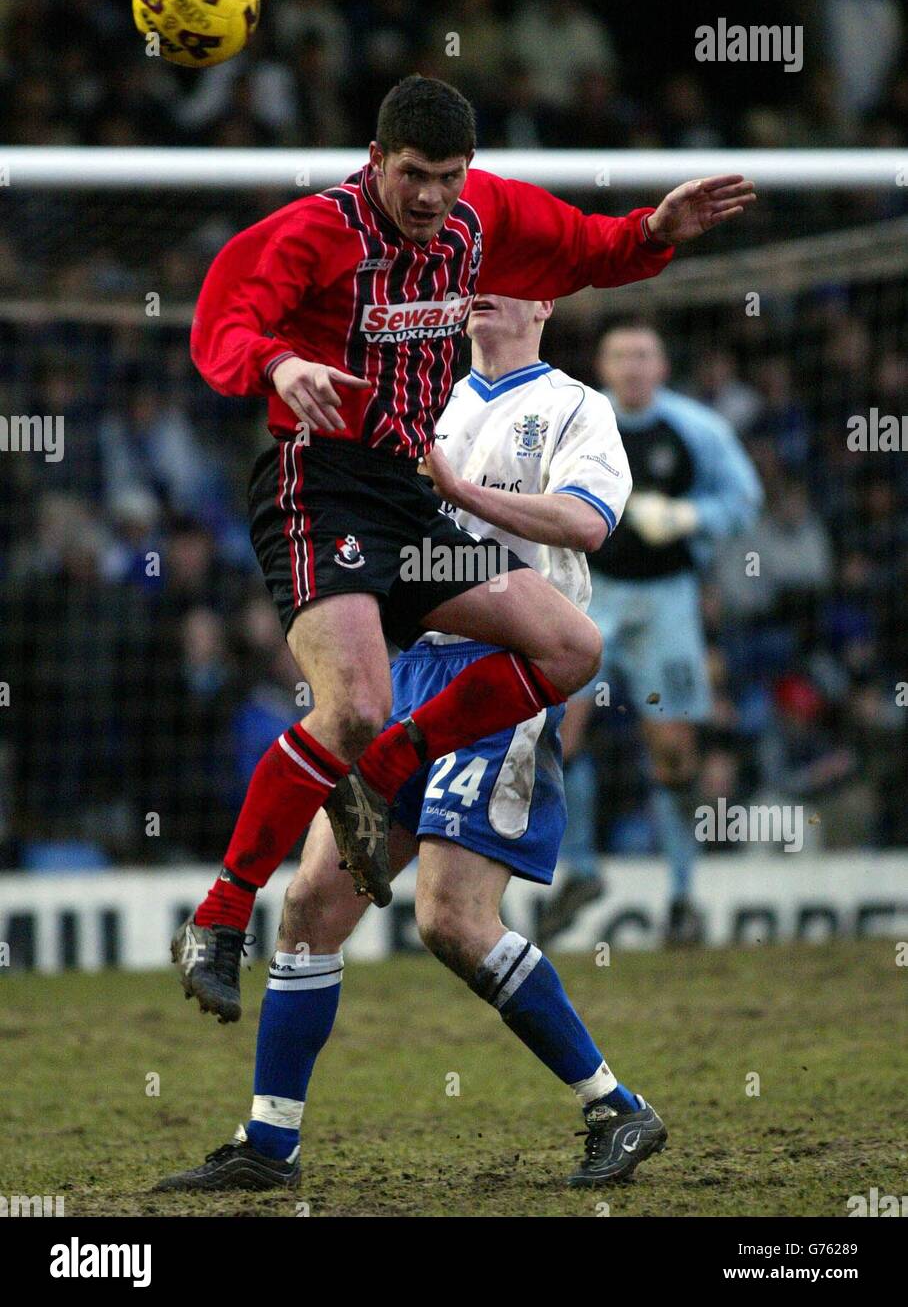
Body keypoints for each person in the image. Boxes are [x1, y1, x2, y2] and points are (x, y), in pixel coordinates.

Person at [174, 74, 756, 1021]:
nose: (432, 197)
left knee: (572, 646)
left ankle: (395, 771)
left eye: (449, 176)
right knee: (353, 706)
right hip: (320, 488)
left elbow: (582, 248)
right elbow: (223, 317)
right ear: (376, 160)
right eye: (414, 175)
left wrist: (656, 229)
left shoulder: (480, 218)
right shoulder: (319, 231)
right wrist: (279, 362)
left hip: (408, 496)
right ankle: (220, 912)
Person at [155, 292, 667, 1193]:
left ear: (543, 299)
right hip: (418, 665)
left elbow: (588, 524)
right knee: (311, 903)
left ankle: (615, 1105)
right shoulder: (427, 398)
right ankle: (270, 1145)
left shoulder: (577, 408)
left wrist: (459, 493)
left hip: (508, 671)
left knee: (450, 920)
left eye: (505, 271)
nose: (479, 286)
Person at [557, 323, 763, 944]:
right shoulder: (581, 421)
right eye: (621, 356)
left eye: (644, 355)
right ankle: (581, 870)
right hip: (592, 595)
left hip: (669, 600)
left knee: (673, 752)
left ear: (663, 365)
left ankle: (681, 898)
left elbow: (744, 498)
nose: (633, 366)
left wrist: (688, 515)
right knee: (557, 732)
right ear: (604, 364)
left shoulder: (697, 429)